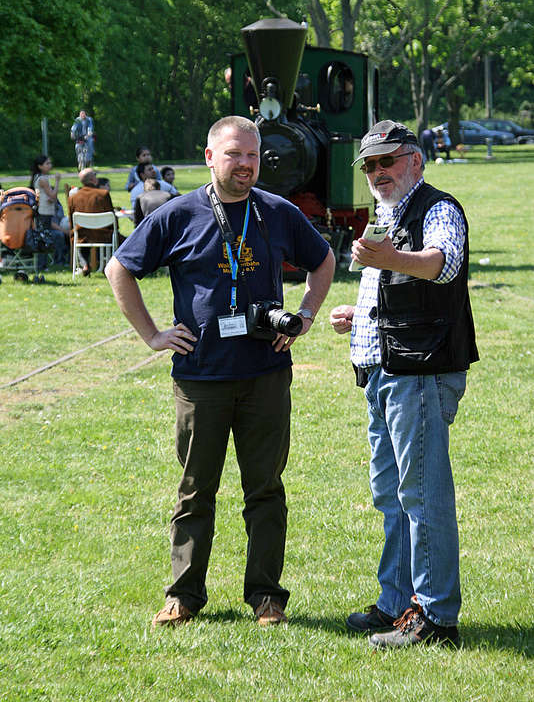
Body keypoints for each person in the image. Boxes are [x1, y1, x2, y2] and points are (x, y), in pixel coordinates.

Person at [105, 115, 335, 628]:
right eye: (234, 155)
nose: (246, 165)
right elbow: (118, 267)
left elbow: (324, 261)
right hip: (201, 377)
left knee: (266, 489)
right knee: (195, 488)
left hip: (266, 374)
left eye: (253, 156)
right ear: (210, 157)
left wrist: (306, 316)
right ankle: (184, 596)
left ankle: (267, 597)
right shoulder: (178, 214)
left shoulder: (277, 211)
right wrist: (153, 335)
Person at [329, 120, 478, 649]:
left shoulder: (438, 208)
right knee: (390, 495)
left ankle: (436, 618)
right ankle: (396, 604)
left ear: (415, 160)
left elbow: (442, 266)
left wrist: (387, 258)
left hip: (418, 371)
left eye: (386, 161)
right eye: (368, 164)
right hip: (384, 369)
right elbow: (399, 288)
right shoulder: (388, 213)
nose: (376, 172)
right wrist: (361, 313)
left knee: (421, 495)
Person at [67, 168, 121, 276]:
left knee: (80, 237)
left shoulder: (73, 197)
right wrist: (115, 228)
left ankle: (85, 264)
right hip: (103, 234)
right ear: (93, 179)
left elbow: (71, 220)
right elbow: (111, 216)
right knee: (120, 238)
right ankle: (109, 265)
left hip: (82, 235)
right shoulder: (103, 194)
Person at [30, 155, 61, 269]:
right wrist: (57, 182)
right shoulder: (43, 179)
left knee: (42, 236)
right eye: (47, 163)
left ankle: (42, 263)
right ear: (40, 166)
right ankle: (42, 264)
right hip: (44, 211)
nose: (50, 165)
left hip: (42, 210)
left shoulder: (37, 177)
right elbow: (53, 196)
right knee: (43, 237)